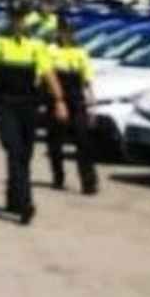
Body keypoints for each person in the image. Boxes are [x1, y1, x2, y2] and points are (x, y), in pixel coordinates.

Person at [0, 5, 68, 225]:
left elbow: (48, 74)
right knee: (14, 150)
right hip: (6, 105)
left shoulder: (36, 46)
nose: (18, 23)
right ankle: (26, 204)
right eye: (15, 18)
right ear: (9, 20)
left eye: (22, 19)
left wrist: (60, 101)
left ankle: (13, 198)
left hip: (28, 106)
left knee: (24, 156)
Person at [46, 20, 99, 195]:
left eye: (70, 32)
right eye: (63, 32)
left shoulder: (81, 52)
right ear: (58, 33)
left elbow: (87, 79)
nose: (66, 35)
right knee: (56, 141)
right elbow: (47, 75)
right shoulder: (51, 51)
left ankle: (88, 181)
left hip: (77, 99)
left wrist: (91, 102)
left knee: (83, 141)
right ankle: (58, 176)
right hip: (57, 98)